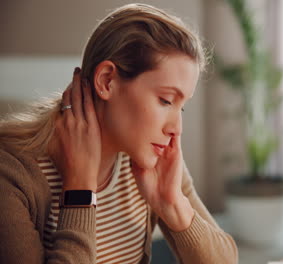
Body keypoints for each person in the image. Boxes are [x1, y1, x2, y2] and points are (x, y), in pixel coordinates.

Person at [0, 3, 238, 264]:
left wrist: (173, 204)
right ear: (107, 81)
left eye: (182, 107)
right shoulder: (11, 174)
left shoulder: (152, 159)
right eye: (166, 100)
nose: (176, 129)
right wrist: (80, 189)